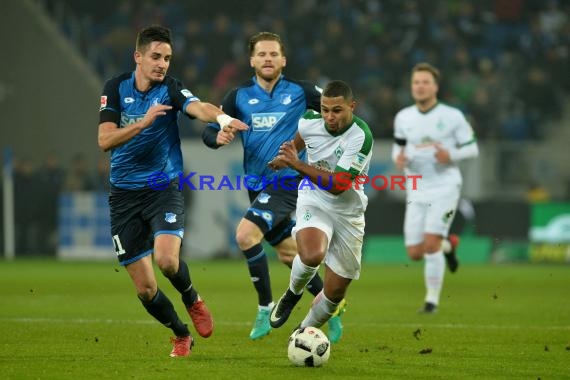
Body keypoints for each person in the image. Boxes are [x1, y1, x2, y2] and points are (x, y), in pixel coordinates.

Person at [97, 25, 248, 358]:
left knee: (167, 260)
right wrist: (141, 123)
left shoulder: (170, 89)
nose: (162, 64)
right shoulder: (116, 88)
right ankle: (180, 334)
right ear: (138, 56)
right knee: (146, 289)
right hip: (123, 196)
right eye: (155, 57)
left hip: (162, 187)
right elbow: (105, 140)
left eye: (167, 58)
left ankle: (192, 297)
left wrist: (222, 119)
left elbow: (198, 107)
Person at [201, 32, 346, 342]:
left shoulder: (302, 91)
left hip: (289, 182)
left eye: (273, 54)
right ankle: (332, 307)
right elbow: (210, 130)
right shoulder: (237, 97)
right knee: (289, 254)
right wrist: (219, 136)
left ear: (283, 60)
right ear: (252, 60)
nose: (267, 59)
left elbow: (337, 111)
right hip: (257, 185)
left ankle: (266, 307)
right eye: (261, 54)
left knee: (245, 234)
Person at [267, 80, 373, 334]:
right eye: (325, 109)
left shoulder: (360, 136)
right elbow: (300, 140)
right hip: (314, 198)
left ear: (352, 107)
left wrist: (297, 165)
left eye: (337, 110)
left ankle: (301, 333)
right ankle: (292, 294)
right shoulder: (309, 120)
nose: (329, 117)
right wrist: (287, 157)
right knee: (312, 253)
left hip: (348, 211)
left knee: (335, 293)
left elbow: (338, 185)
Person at [392, 63, 479, 313]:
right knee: (414, 252)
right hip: (416, 187)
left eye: (425, 82)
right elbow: (399, 147)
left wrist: (450, 154)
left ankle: (431, 301)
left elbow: (472, 148)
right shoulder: (403, 117)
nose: (420, 86)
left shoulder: (452, 117)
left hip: (445, 185)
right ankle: (449, 244)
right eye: (416, 82)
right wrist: (399, 158)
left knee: (430, 244)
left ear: (435, 87)